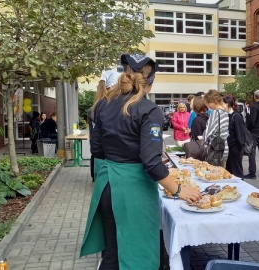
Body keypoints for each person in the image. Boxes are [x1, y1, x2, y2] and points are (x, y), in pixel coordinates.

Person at [80, 53, 201, 269]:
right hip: (133, 190)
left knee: (112, 253)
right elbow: (151, 162)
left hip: (107, 186)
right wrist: (179, 190)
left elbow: (97, 150)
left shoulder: (101, 105)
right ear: (151, 83)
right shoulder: (149, 110)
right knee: (140, 253)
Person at [87, 69, 121, 182]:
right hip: (111, 159)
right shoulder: (110, 108)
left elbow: (94, 136)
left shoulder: (94, 107)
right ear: (112, 87)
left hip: (99, 156)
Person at [203, 89, 229, 166]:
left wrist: (204, 136)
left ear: (212, 101)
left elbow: (208, 133)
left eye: (208, 103)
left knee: (213, 176)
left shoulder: (215, 113)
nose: (207, 106)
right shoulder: (225, 112)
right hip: (224, 148)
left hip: (214, 150)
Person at [223, 94, 245, 178]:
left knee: (237, 170)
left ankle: (241, 187)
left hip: (235, 148)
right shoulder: (227, 115)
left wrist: (239, 147)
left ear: (227, 104)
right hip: (229, 147)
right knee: (230, 170)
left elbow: (240, 132)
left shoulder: (236, 116)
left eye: (223, 103)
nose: (222, 105)